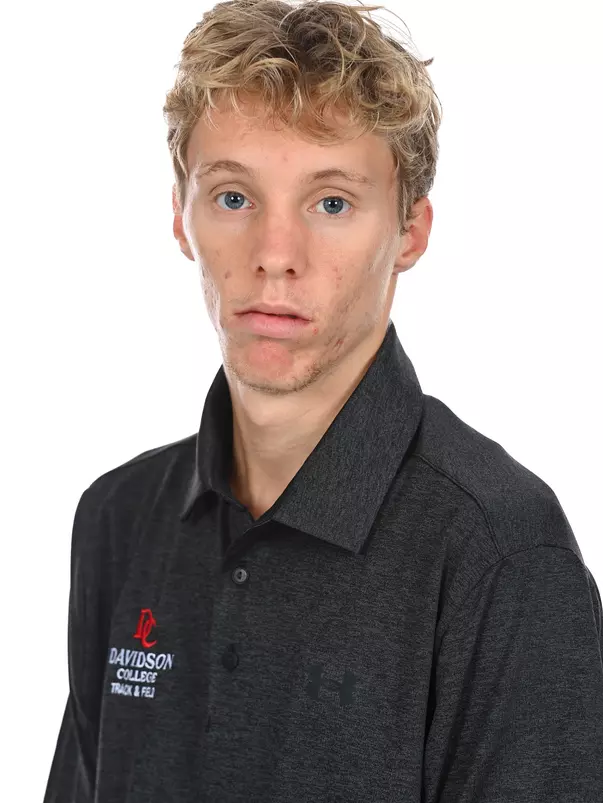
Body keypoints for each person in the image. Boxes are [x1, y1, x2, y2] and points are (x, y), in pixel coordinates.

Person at [43, 1, 603, 801]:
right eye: (233, 197)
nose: (275, 255)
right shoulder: (117, 518)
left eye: (331, 202)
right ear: (180, 216)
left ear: (410, 231)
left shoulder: (500, 553)